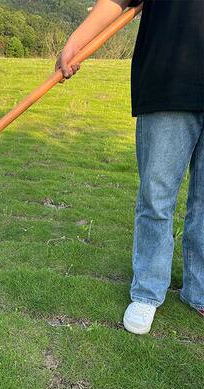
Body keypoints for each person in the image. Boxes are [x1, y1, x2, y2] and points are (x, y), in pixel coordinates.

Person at [55, 0, 204, 334]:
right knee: (156, 196)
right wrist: (74, 43)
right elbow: (116, 1)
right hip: (167, 83)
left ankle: (201, 291)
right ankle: (148, 292)